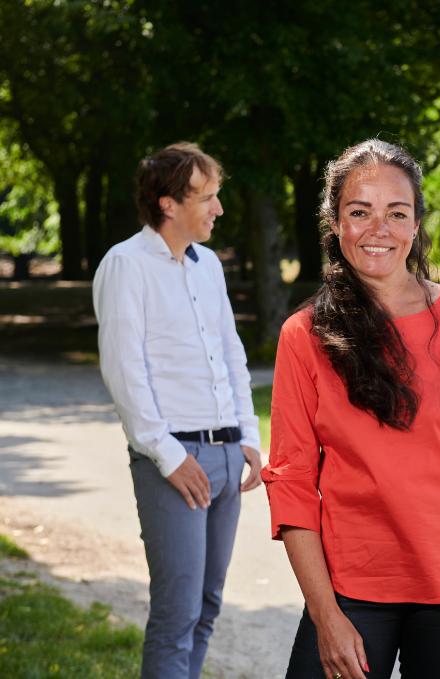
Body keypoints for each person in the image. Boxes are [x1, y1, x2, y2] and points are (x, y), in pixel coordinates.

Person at [261, 139, 440, 679]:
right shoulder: (302, 336)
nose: (379, 228)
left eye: (397, 213)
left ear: (415, 224)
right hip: (355, 585)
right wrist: (326, 617)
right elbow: (293, 484)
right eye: (359, 212)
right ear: (334, 222)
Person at [92, 142, 263, 679]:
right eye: (207, 197)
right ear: (168, 204)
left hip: (225, 454)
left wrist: (249, 439)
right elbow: (125, 373)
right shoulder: (125, 265)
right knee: (176, 613)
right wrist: (168, 457)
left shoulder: (208, 264)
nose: (217, 208)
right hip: (173, 462)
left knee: (208, 608)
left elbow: (231, 353)